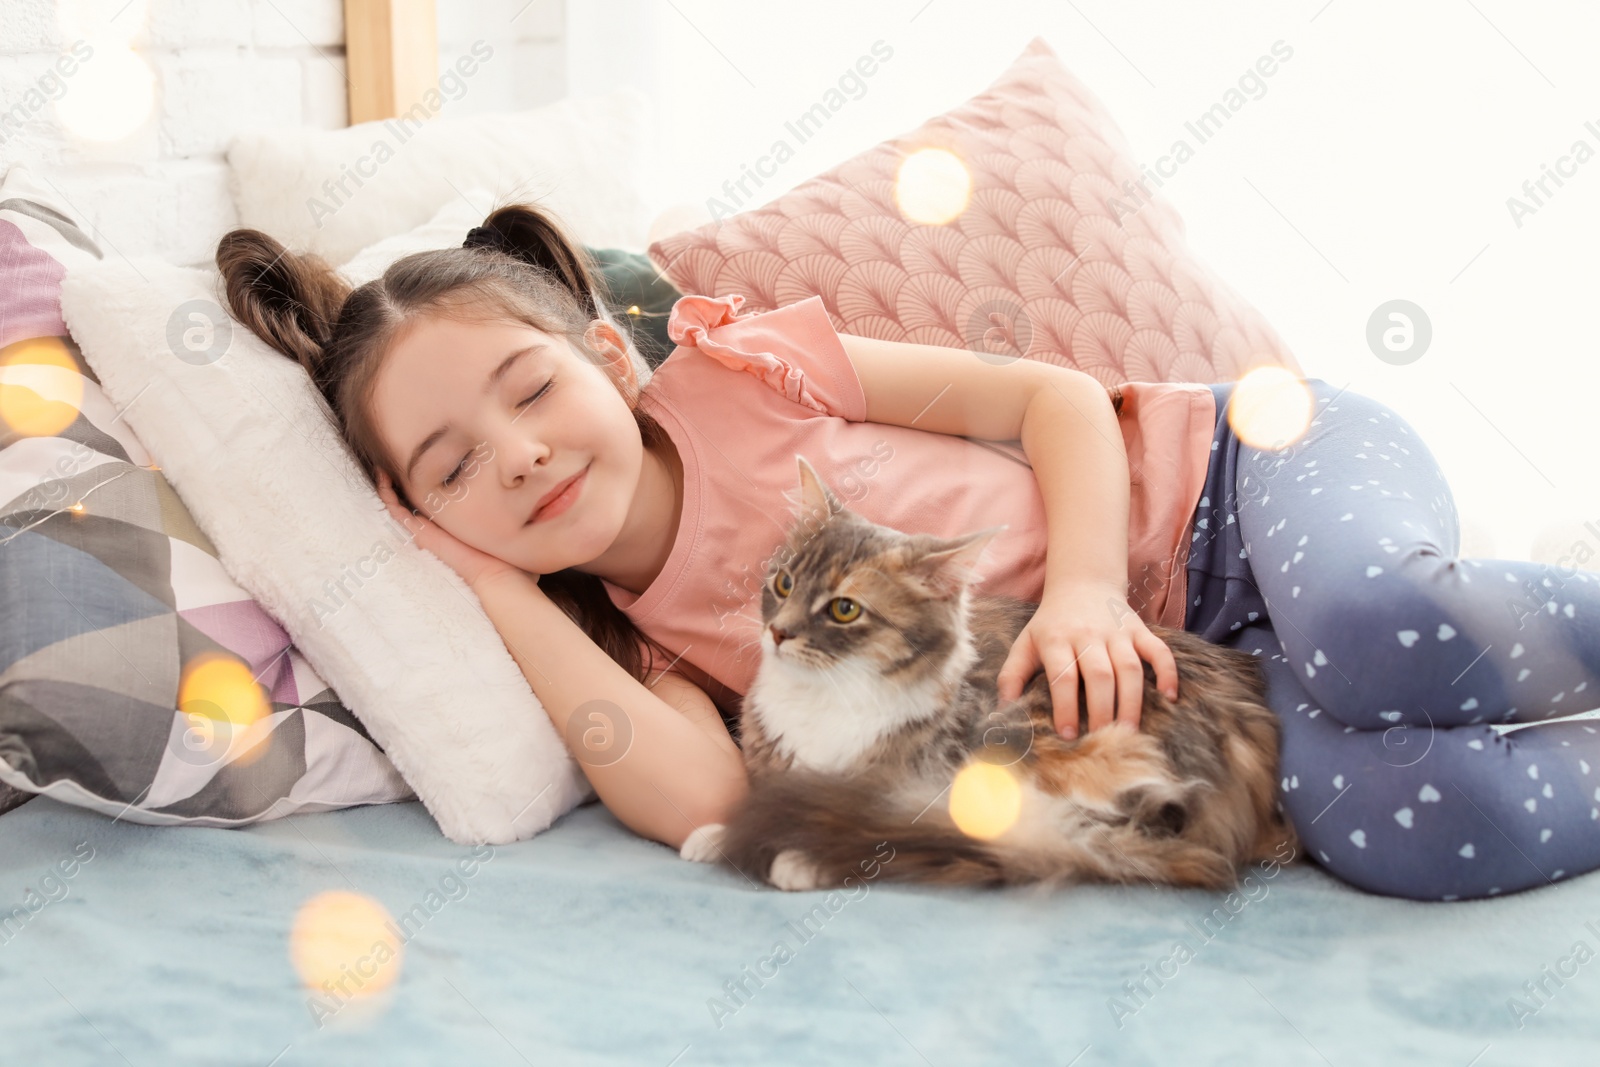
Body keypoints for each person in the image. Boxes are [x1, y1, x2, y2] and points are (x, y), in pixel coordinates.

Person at [216, 201, 1600, 902]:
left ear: (599, 355)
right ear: (422, 514)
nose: (512, 456)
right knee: (1403, 825)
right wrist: (492, 584)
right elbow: (707, 803)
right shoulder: (646, 647)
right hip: (1212, 680)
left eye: (526, 393)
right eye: (450, 468)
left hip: (1240, 477)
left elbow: (1049, 396)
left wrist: (1082, 588)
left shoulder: (744, 374)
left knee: (1376, 628)